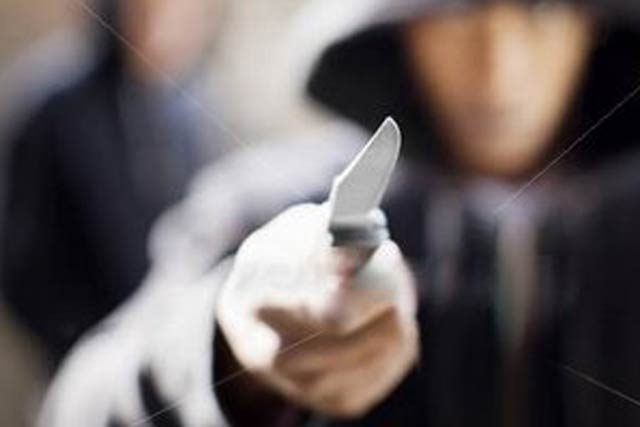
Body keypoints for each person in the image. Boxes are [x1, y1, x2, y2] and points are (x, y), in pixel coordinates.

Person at [38, 0, 640, 426]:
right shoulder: (266, 204)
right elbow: (77, 407)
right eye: (456, 13)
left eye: (540, 11)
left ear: (593, 22)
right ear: (399, 23)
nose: (497, 67)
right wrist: (226, 354)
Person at [1, 0, 224, 361]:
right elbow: (22, 257)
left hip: (163, 342)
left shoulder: (186, 102)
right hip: (83, 354)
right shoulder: (54, 106)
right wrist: (82, 342)